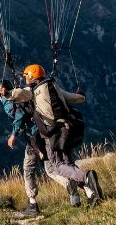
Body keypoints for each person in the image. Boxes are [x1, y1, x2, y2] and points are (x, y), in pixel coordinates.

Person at [7, 63, 103, 205]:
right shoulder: (53, 86)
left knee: (58, 166)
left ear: (32, 76)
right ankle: (91, 195)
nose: (24, 78)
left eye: (26, 76)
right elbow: (75, 98)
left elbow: (19, 94)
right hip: (67, 129)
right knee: (68, 163)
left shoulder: (33, 90)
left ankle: (86, 177)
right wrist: (80, 96)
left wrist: (7, 94)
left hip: (53, 135)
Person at [0, 79, 45, 216]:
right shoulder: (22, 93)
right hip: (43, 130)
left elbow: (20, 115)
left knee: (29, 168)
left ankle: (33, 204)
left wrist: (13, 135)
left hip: (34, 136)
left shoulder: (8, 102)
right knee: (52, 165)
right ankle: (81, 187)